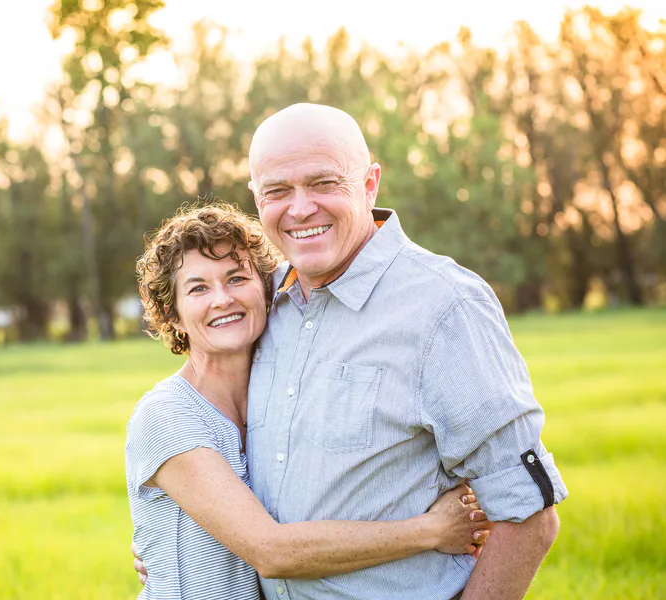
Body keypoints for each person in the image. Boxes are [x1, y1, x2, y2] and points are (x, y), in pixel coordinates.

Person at [135, 103, 568, 600]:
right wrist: (176, 551)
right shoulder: (263, 302)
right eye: (277, 190)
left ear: (369, 184)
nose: (300, 209)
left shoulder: (444, 307)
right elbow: (257, 533)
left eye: (323, 183)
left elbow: (530, 516)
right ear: (257, 199)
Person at [127, 203, 491, 599]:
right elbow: (270, 551)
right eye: (198, 288)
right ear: (173, 314)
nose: (222, 299)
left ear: (267, 293)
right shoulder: (167, 415)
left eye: (236, 278)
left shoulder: (277, 393)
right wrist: (431, 530)